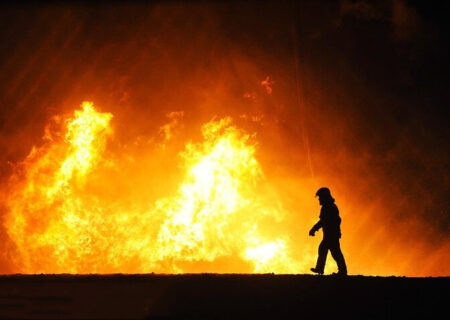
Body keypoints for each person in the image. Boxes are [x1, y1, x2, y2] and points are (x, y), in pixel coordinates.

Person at [309, 187, 347, 276]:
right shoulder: (331, 206)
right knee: (330, 250)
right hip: (331, 234)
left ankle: (340, 271)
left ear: (324, 197)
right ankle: (322, 269)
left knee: (333, 251)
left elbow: (323, 221)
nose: (319, 199)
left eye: (320, 197)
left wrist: (314, 229)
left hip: (331, 234)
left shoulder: (328, 207)